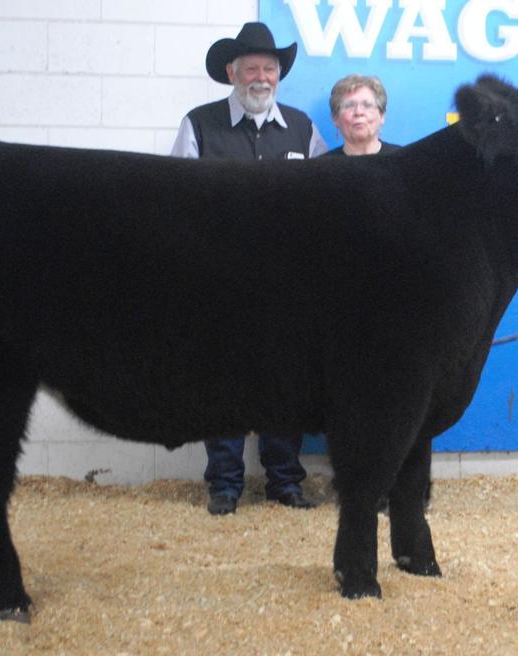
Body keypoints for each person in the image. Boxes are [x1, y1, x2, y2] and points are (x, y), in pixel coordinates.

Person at [170, 22, 327, 515]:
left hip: (292, 283)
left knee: (288, 380)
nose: (261, 77)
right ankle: (224, 485)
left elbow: (326, 204)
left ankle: (285, 482)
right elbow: (176, 202)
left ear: (279, 75)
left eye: (270, 68)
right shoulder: (199, 123)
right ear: (232, 72)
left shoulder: (303, 128)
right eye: (252, 68)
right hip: (221, 280)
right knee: (223, 381)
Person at [323, 74, 401, 157]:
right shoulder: (321, 166)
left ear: (382, 116)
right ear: (335, 118)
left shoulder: (402, 160)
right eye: (350, 106)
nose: (359, 112)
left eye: (367, 105)